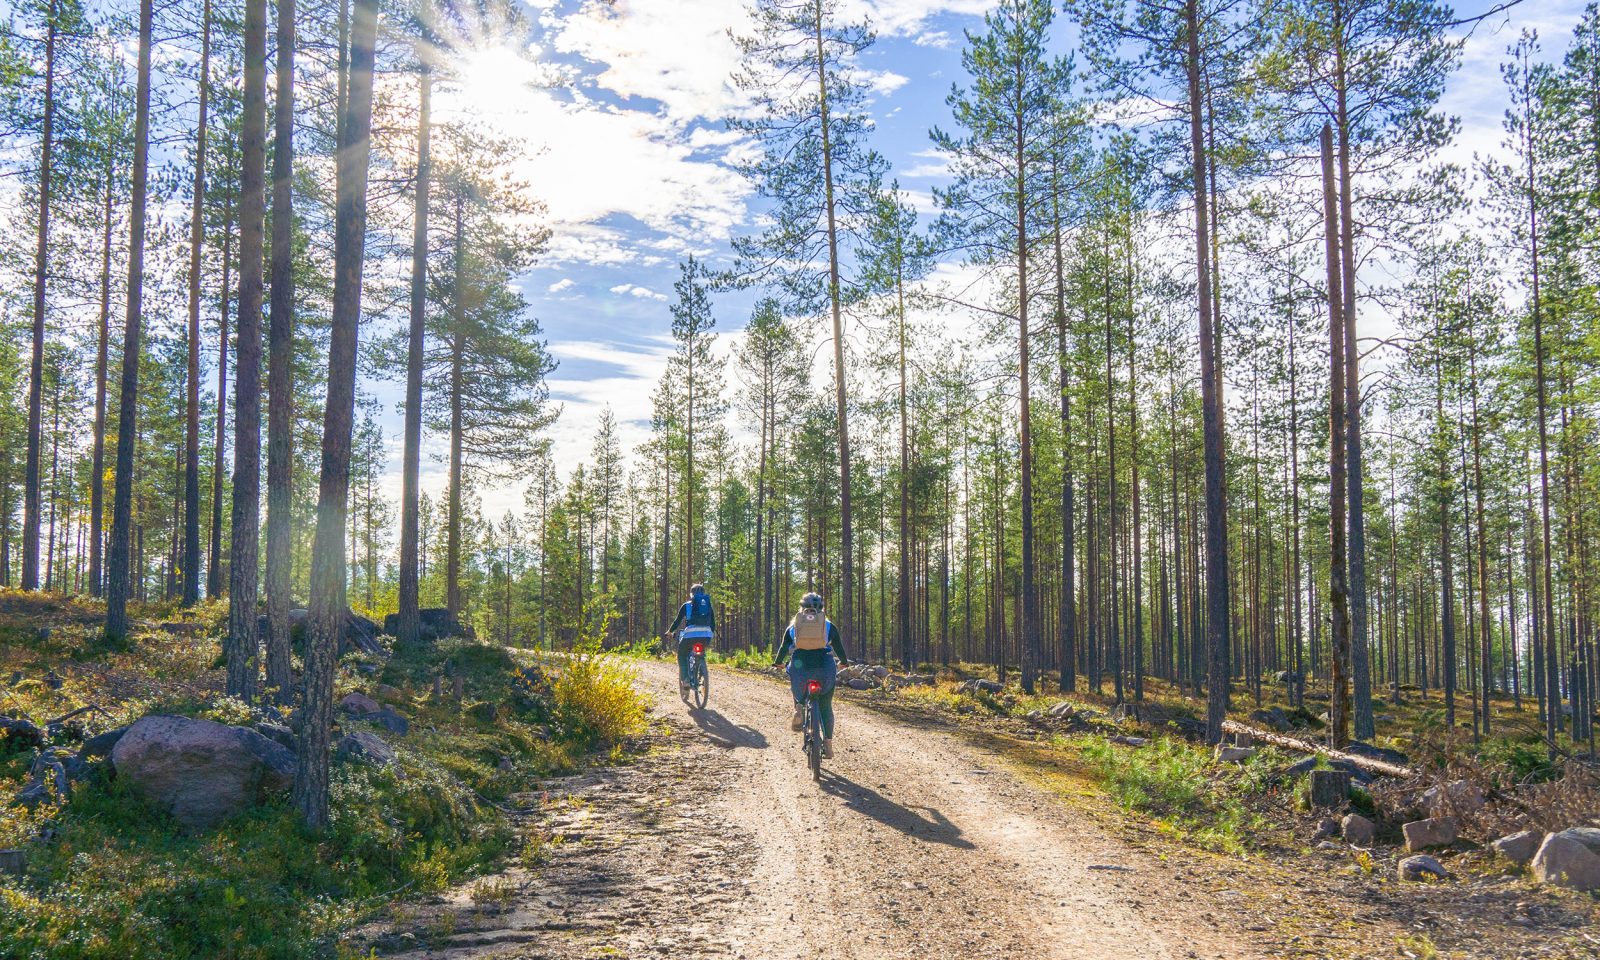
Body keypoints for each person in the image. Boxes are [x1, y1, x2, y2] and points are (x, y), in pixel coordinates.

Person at [772, 592, 850, 759]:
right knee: (826, 706)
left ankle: (799, 707)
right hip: (824, 668)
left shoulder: (794, 626)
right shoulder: (828, 626)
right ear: (821, 609)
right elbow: (839, 647)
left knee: (794, 678)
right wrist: (843, 662)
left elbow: (784, 648)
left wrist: (778, 663)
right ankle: (828, 745)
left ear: (801, 608)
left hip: (801, 668)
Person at [665, 583, 716, 702]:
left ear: (691, 594)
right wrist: (709, 634)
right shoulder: (708, 605)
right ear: (703, 594)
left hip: (690, 635)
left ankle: (686, 680)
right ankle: (701, 670)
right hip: (706, 636)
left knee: (682, 655)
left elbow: (677, 621)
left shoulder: (687, 605)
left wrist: (669, 631)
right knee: (700, 652)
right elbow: (713, 623)